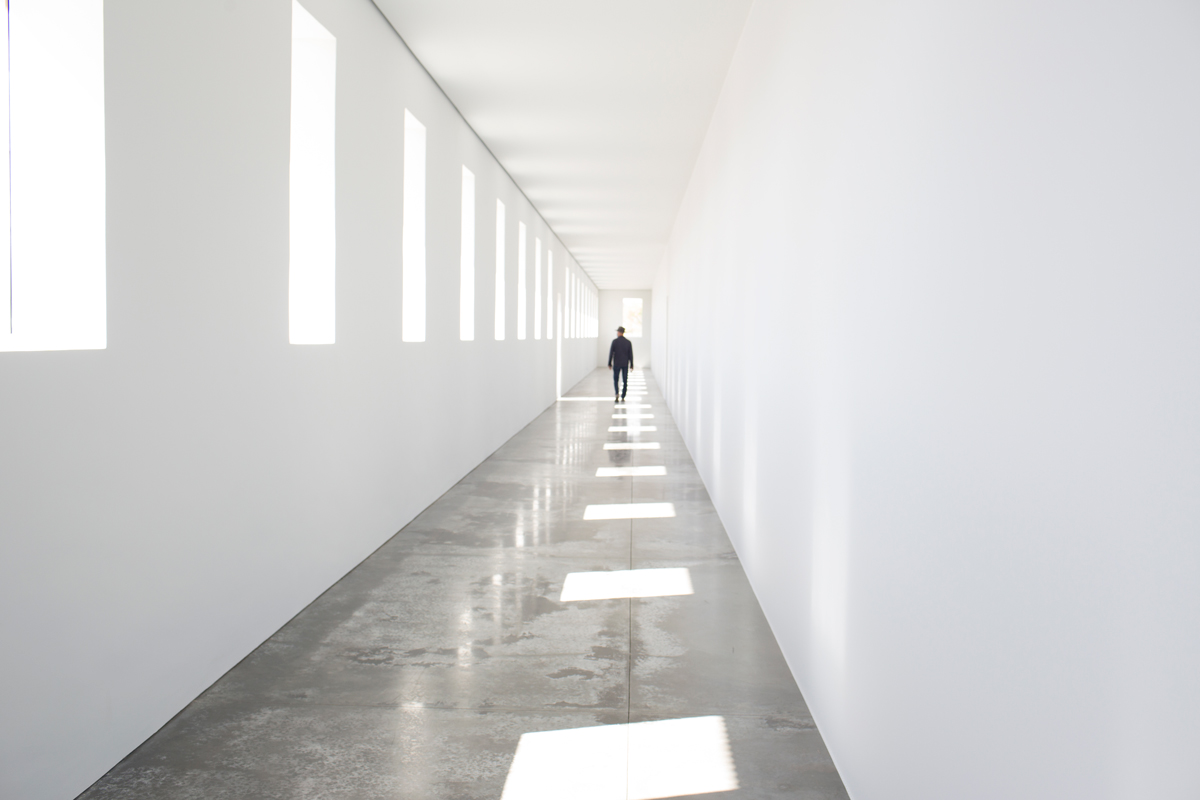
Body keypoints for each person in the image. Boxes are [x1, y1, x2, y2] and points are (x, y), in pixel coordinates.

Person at [608, 326, 634, 402]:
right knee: (625, 380)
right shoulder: (628, 342)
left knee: (616, 380)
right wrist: (632, 365)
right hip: (625, 364)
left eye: (617, 332)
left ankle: (617, 393)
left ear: (619, 332)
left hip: (616, 364)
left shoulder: (614, 341)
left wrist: (609, 363)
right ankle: (623, 396)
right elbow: (630, 355)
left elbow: (611, 353)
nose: (617, 333)